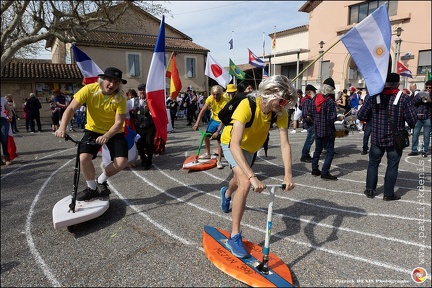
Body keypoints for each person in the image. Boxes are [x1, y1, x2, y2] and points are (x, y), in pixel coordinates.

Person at [219, 75, 296, 258]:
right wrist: (252, 176)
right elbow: (234, 144)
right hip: (230, 143)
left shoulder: (280, 112)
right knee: (245, 181)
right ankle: (234, 236)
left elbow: (285, 145)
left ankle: (227, 193)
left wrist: (288, 175)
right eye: (282, 100)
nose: (284, 104)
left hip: (251, 149)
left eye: (287, 101)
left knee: (237, 180)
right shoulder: (248, 104)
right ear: (269, 93)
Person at [54, 67, 129, 201]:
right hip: (93, 129)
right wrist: (62, 127)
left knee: (121, 162)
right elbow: (71, 108)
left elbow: (119, 122)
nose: (112, 85)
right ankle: (92, 188)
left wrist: (106, 136)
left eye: (116, 82)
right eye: (109, 80)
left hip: (114, 131)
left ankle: (101, 180)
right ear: (102, 79)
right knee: (83, 159)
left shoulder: (121, 97)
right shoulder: (89, 89)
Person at [357, 73, 417, 201]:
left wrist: (371, 116)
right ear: (398, 84)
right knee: (392, 165)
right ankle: (388, 194)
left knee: (373, 163)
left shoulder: (372, 96)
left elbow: (361, 115)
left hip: (377, 137)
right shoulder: (404, 98)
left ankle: (370, 190)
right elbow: (413, 120)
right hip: (395, 139)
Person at [192, 85, 229, 169]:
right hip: (213, 120)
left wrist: (217, 131)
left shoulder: (225, 102)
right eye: (214, 94)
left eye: (217, 94)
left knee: (219, 141)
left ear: (221, 94)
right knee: (206, 136)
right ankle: (208, 154)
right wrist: (197, 123)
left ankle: (219, 161)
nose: (215, 96)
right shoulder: (210, 98)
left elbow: (223, 119)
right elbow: (202, 111)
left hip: (222, 121)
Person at [311, 78, 338, 180]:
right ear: (330, 89)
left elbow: (310, 113)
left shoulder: (314, 99)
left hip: (317, 128)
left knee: (317, 150)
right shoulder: (330, 101)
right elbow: (332, 118)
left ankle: (314, 169)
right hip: (327, 130)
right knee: (330, 152)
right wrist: (338, 117)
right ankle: (325, 172)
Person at [131, 83, 156, 170]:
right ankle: (143, 158)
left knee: (149, 143)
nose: (142, 92)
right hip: (138, 127)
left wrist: (149, 110)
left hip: (149, 126)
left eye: (143, 90)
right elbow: (125, 109)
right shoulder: (134, 101)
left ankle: (149, 160)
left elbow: (157, 112)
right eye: (140, 90)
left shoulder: (151, 100)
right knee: (140, 144)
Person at [408, 80, 431, 157]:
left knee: (426, 135)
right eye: (426, 87)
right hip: (418, 117)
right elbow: (412, 102)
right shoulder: (421, 93)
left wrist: (430, 101)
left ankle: (425, 151)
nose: (428, 89)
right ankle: (414, 150)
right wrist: (420, 98)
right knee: (415, 134)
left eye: (430, 88)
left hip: (428, 118)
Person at [300, 84, 317, 162]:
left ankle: (306, 154)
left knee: (310, 139)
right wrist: (312, 120)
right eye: (314, 91)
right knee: (309, 139)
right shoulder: (307, 100)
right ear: (310, 92)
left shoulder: (308, 100)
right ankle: (304, 155)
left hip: (310, 123)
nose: (315, 92)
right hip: (310, 123)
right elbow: (306, 114)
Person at [359, 90, 372, 155]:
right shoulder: (368, 96)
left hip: (371, 119)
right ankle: (365, 148)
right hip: (370, 119)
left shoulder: (368, 96)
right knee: (366, 136)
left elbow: (365, 107)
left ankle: (366, 149)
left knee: (367, 136)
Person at [1, 96, 12, 165]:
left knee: (4, 139)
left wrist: (10, 117)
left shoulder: (2, 99)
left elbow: (9, 109)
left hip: (3, 120)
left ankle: (7, 157)